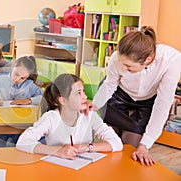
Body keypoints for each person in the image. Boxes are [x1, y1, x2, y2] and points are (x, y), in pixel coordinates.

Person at [93, 26, 181, 166]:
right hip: (117, 95)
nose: (123, 68)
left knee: (131, 149)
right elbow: (109, 85)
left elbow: (162, 105)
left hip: (146, 102)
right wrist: (94, 106)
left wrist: (145, 145)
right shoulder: (119, 57)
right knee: (107, 142)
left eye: (128, 66)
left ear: (148, 59)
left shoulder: (172, 61)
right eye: (122, 64)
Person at [16, 74, 123, 159]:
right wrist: (57, 151)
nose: (85, 96)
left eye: (83, 91)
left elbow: (117, 143)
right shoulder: (51, 118)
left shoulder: (90, 115)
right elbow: (23, 142)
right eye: (78, 93)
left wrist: (86, 147)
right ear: (63, 100)